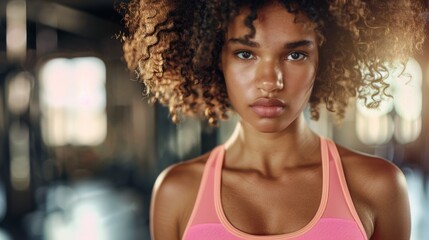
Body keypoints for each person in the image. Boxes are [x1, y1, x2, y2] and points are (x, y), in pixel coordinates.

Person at [121, 0, 426, 239]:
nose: (270, 81)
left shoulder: (377, 185)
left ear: (325, 60)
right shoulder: (177, 190)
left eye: (295, 55)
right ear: (215, 58)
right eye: (245, 54)